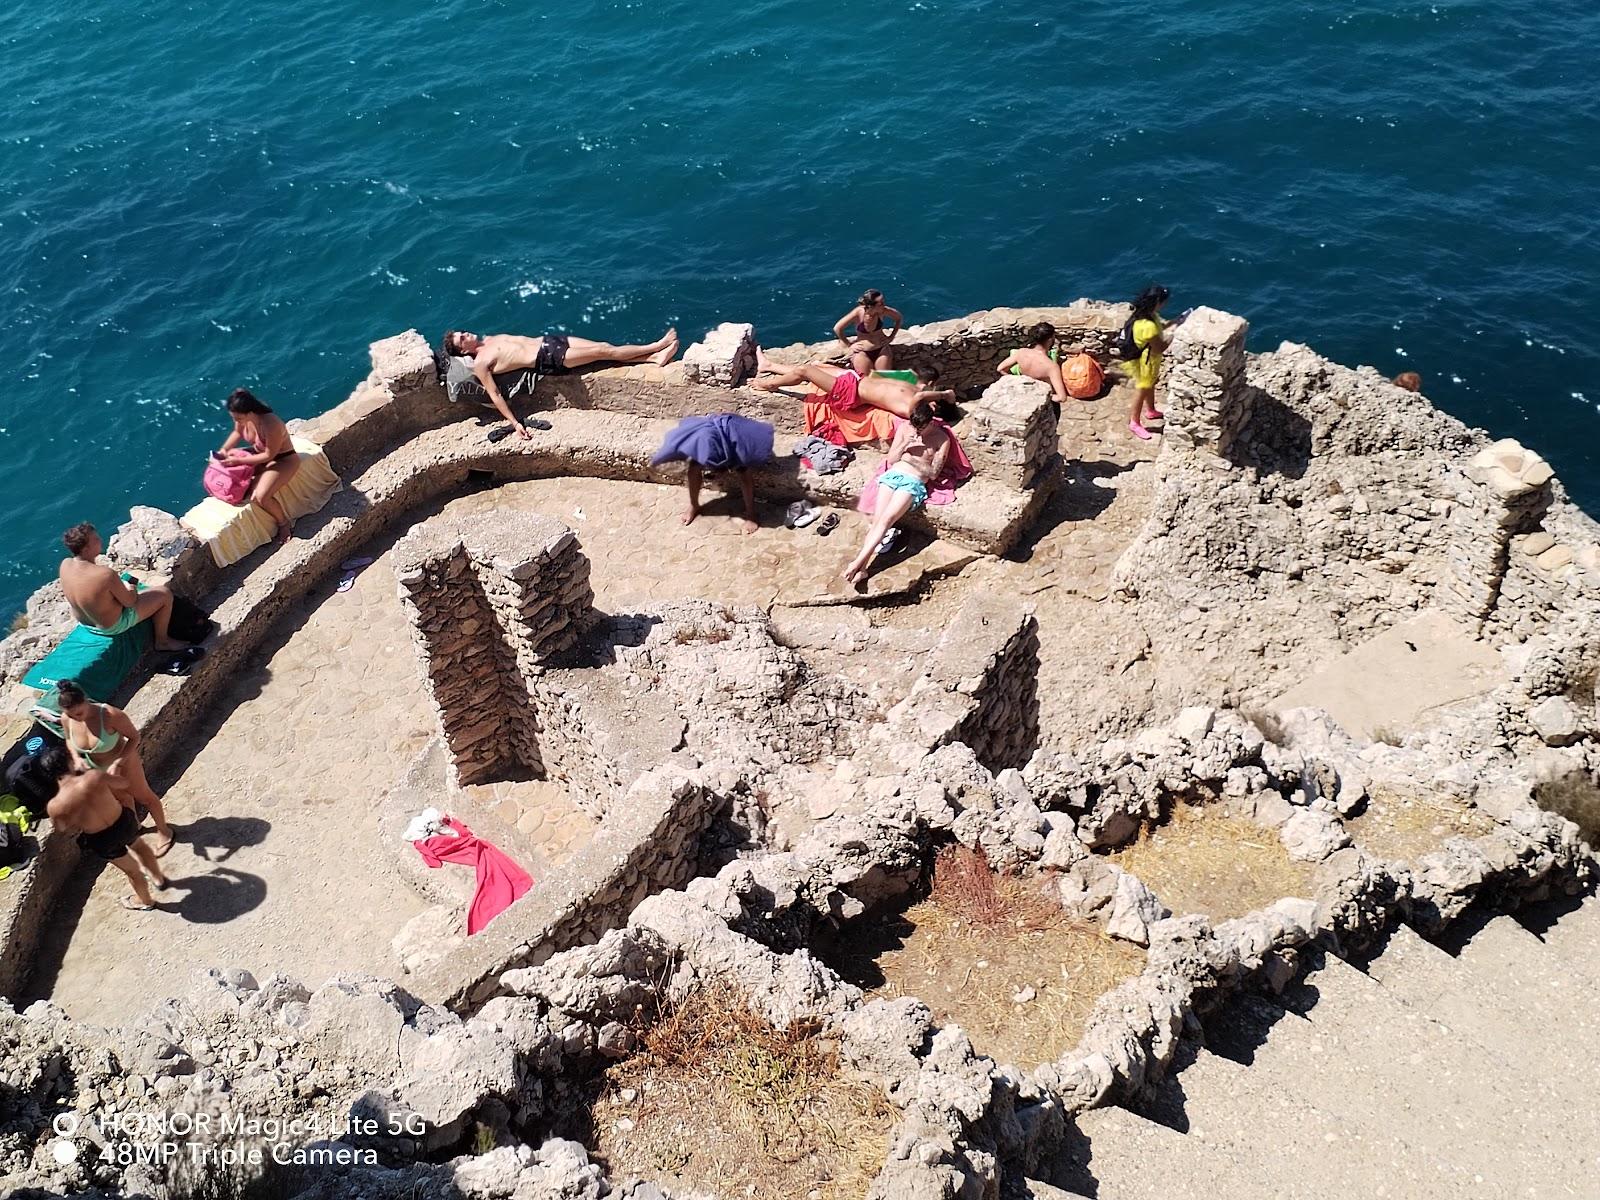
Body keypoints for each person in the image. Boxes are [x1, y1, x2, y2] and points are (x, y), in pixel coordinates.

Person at [443, 328, 680, 440]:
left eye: (462, 332)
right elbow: (494, 394)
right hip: (547, 359)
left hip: (549, 341)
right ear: (463, 349)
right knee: (603, 351)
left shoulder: (491, 338)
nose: (466, 334)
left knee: (604, 344)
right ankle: (656, 346)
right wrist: (514, 423)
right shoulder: (482, 363)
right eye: (462, 338)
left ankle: (653, 358)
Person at [42, 747, 173, 911]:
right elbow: (123, 783)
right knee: (140, 847)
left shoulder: (56, 806)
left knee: (132, 871)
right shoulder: (94, 776)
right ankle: (158, 878)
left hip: (102, 839)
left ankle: (145, 901)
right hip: (123, 821)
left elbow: (63, 828)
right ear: (70, 761)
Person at [56, 678, 174, 856]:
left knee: (145, 797)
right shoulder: (67, 718)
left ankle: (165, 831)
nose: (76, 718)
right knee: (123, 800)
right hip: (98, 768)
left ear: (86, 701)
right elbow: (68, 739)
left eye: (79, 713)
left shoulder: (110, 715)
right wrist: (76, 758)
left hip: (124, 763)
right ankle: (135, 827)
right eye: (72, 716)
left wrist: (119, 762)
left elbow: (135, 738)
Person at [842, 402, 949, 588]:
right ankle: (862, 568)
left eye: (921, 427)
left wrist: (910, 459)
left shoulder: (941, 439)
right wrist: (904, 446)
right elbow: (891, 459)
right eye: (915, 426)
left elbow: (933, 473)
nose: (917, 430)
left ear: (931, 422)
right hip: (893, 475)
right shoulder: (905, 428)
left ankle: (858, 562)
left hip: (913, 481)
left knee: (887, 519)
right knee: (877, 520)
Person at [58, 524, 187, 651]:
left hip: (85, 623)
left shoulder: (65, 564)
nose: (100, 540)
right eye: (96, 539)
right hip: (110, 627)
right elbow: (130, 602)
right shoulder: (104, 574)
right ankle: (162, 642)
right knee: (164, 594)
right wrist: (131, 588)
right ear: (86, 549)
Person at [650, 414, 775, 533]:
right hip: (711, 433)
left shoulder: (741, 447)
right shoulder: (698, 439)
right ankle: (694, 505)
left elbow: (745, 478)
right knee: (693, 469)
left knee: (744, 472)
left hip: (735, 432)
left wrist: (751, 515)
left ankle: (751, 514)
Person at [751, 349, 955, 421]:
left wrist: (943, 395)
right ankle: (769, 365)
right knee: (815, 367)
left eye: (935, 405)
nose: (933, 402)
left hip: (851, 392)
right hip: (856, 380)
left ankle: (768, 385)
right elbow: (919, 381)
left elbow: (921, 397)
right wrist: (948, 398)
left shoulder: (909, 409)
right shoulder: (919, 390)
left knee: (806, 372)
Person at [217, 388, 301, 543]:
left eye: (239, 418)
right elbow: (237, 434)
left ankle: (284, 523)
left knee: (260, 497)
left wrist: (238, 461)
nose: (237, 421)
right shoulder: (243, 419)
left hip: (282, 459)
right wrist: (223, 451)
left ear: (250, 412)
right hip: (258, 455)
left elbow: (269, 455)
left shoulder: (271, 423)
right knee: (228, 477)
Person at [1123, 285, 1185, 441]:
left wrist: (1174, 322)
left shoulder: (1147, 315)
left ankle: (1150, 410)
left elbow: (1160, 327)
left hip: (1146, 359)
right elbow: (1160, 347)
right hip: (1145, 362)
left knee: (1150, 384)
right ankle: (1134, 422)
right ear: (1157, 303)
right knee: (1142, 389)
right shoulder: (1148, 326)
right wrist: (1174, 333)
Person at [996, 322, 1068, 412]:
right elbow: (1062, 397)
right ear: (1050, 340)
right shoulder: (1051, 366)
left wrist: (1018, 382)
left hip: (1025, 398)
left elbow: (1000, 369)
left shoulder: (1021, 352)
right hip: (1044, 406)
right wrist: (1042, 395)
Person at [833, 289, 903, 375]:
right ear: (870, 306)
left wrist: (891, 337)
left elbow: (899, 318)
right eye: (880, 303)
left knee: (884, 378)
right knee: (865, 380)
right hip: (862, 352)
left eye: (883, 301)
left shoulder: (883, 311)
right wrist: (849, 345)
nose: (884, 304)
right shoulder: (858, 313)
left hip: (882, 349)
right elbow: (838, 328)